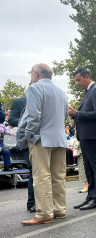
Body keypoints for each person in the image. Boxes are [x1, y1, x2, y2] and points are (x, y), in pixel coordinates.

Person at [17, 63, 68, 226]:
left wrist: (29, 136)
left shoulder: (34, 89)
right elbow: (65, 115)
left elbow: (33, 116)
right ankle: (59, 209)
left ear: (36, 74)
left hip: (41, 138)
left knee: (41, 175)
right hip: (59, 138)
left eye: (31, 73)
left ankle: (44, 213)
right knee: (58, 175)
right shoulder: (61, 93)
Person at [68, 68, 96, 211]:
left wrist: (77, 113)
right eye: (76, 81)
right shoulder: (88, 92)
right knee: (89, 168)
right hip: (85, 136)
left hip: (92, 136)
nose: (78, 83)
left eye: (79, 80)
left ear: (87, 77)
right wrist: (75, 114)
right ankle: (91, 197)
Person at [9, 96, 36, 212]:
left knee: (43, 172)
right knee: (34, 170)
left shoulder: (44, 99)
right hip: (28, 141)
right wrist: (26, 121)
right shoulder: (19, 102)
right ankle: (32, 202)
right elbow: (11, 120)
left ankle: (43, 202)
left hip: (44, 141)